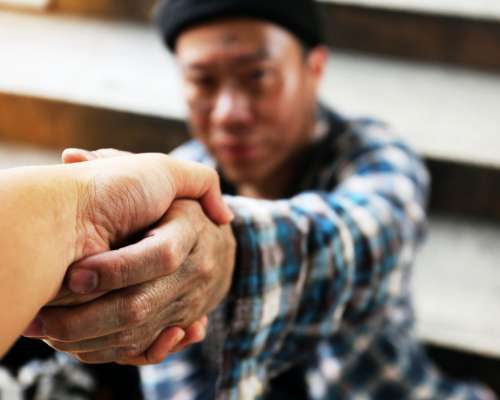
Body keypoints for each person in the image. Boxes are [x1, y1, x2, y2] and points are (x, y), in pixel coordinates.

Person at [24, 0, 496, 398]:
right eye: (204, 82)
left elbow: (360, 236)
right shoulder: (181, 176)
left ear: (313, 70)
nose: (229, 113)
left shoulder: (377, 157)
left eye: (258, 77)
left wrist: (226, 252)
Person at [0, 152, 232, 357]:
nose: (228, 114)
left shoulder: (179, 173)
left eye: (258, 98)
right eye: (208, 97)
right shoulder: (185, 162)